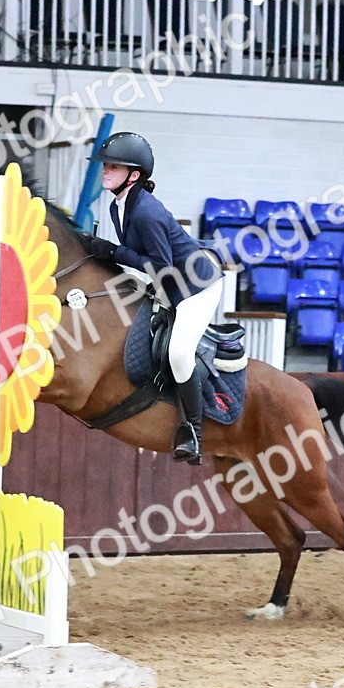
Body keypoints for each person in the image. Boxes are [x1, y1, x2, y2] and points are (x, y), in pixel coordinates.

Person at [87, 131, 223, 465]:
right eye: (106, 164)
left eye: (114, 166)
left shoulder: (147, 212)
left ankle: (192, 433)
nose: (105, 170)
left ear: (133, 175)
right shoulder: (119, 205)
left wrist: (114, 252)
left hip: (196, 288)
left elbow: (161, 267)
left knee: (179, 353)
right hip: (170, 284)